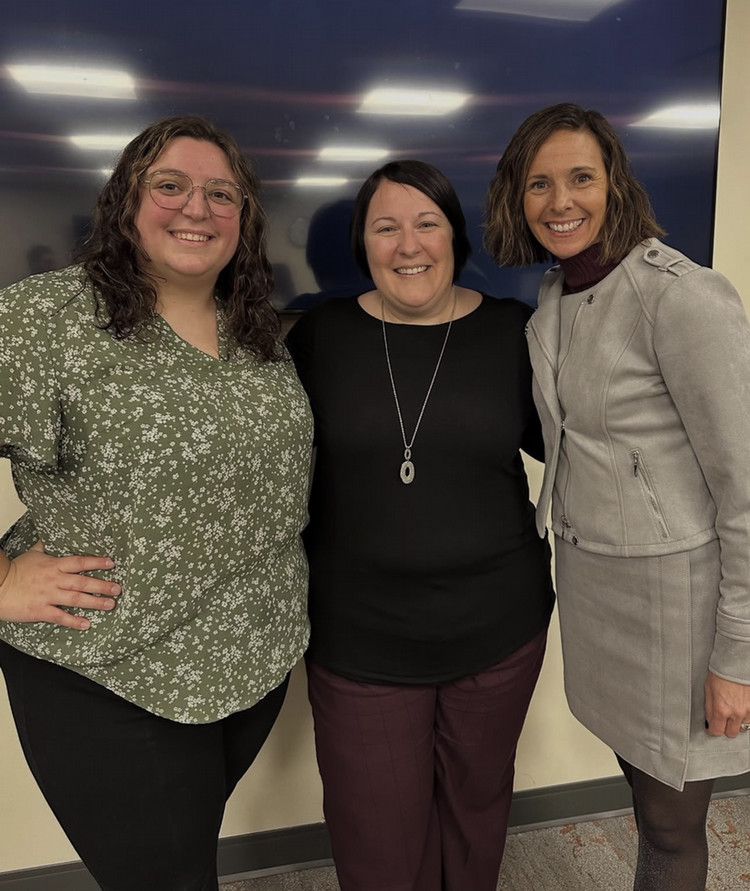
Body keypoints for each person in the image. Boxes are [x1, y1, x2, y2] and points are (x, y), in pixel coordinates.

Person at [0, 115, 312, 891]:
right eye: (169, 186)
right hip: (110, 675)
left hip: (252, 663)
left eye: (221, 193)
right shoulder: (47, 320)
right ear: (124, 203)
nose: (196, 209)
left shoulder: (257, 331)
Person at [484, 102, 750, 891]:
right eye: (539, 183)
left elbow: (745, 487)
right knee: (645, 801)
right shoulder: (555, 297)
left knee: (672, 827)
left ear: (614, 185)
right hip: (600, 594)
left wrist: (737, 655)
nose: (559, 201)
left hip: (679, 608)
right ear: (516, 197)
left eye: (580, 178)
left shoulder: (680, 295)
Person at [285, 160, 555, 891]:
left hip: (500, 629)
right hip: (360, 637)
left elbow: (580, 447)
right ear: (362, 246)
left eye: (427, 222)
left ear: (454, 236)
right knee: (376, 836)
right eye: (386, 226)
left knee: (477, 809)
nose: (409, 244)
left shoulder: (514, 332)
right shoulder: (319, 337)